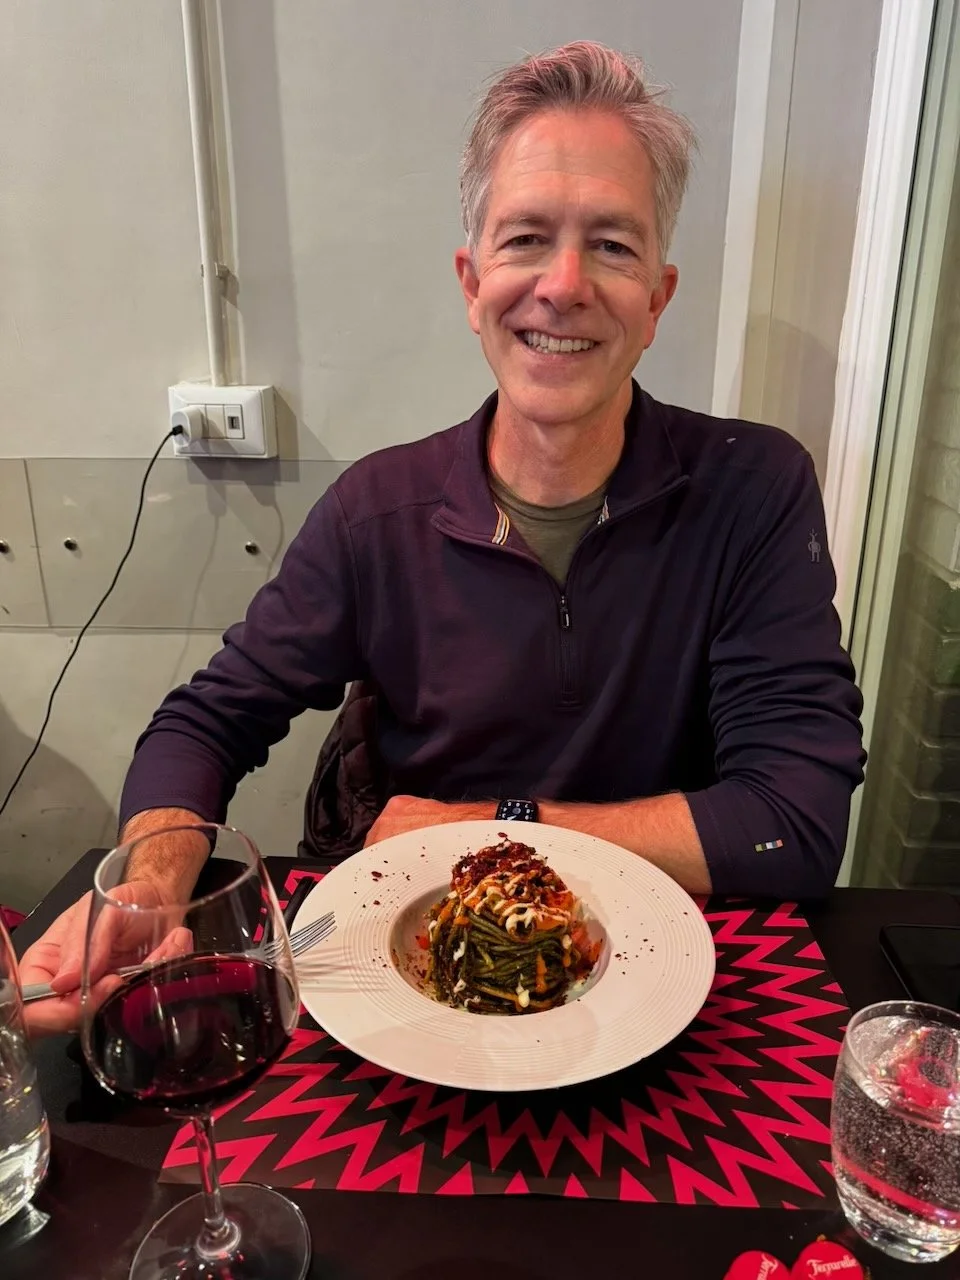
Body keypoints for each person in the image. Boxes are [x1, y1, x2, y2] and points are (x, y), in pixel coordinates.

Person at [21, 41, 864, 1035]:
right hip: (414, 972)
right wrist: (150, 885)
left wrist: (491, 822)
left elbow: (795, 822)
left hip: (660, 982)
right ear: (472, 283)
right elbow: (206, 722)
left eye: (612, 245)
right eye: (525, 239)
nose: (563, 284)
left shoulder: (753, 489)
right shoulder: (376, 512)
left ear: (657, 300)